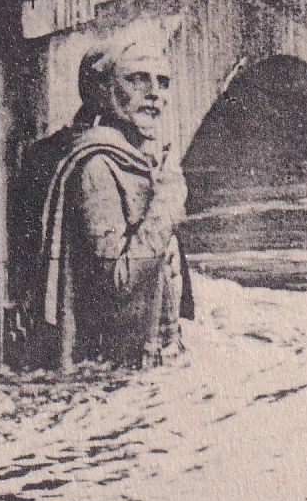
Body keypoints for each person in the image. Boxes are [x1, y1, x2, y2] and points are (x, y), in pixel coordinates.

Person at [12, 30, 193, 372]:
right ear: (101, 89)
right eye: (137, 79)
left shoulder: (134, 153)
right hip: (113, 373)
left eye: (163, 82)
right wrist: (169, 199)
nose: (154, 94)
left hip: (146, 359)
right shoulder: (97, 165)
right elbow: (117, 281)